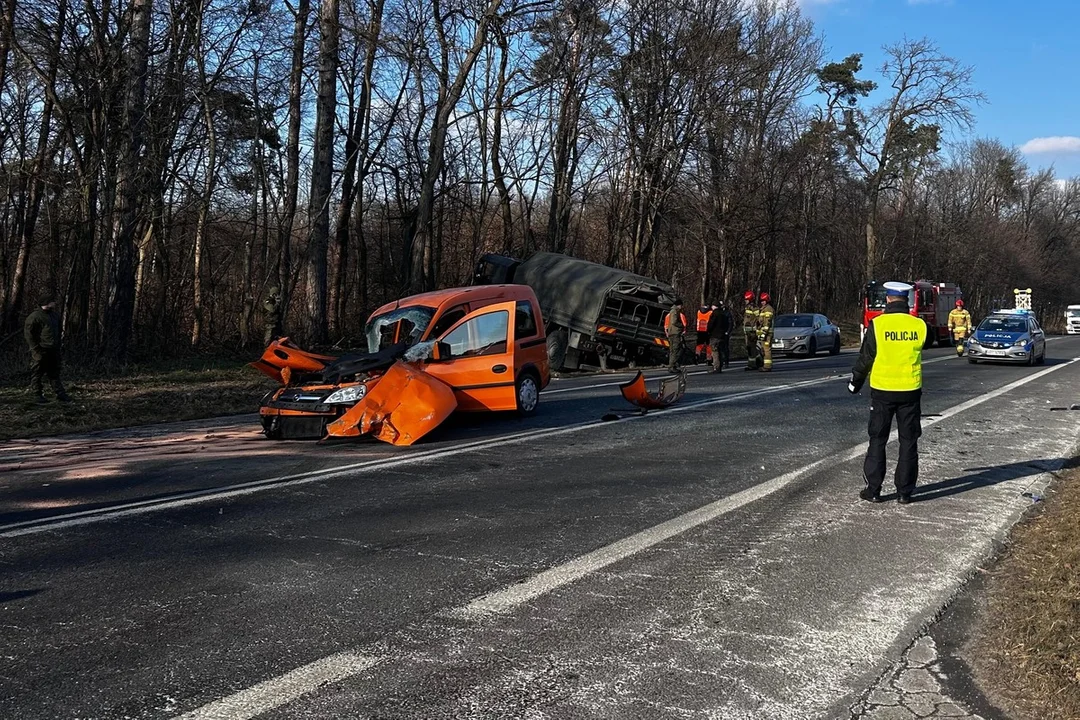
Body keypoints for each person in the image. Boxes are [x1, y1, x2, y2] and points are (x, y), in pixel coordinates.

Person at [848, 281, 926, 504]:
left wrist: (856, 381)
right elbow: (925, 344)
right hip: (910, 391)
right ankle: (904, 492)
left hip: (882, 391)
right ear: (907, 301)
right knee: (909, 441)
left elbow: (866, 357)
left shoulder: (878, 324)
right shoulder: (919, 325)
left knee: (878, 439)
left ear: (888, 299)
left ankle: (873, 490)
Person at [24, 292, 69, 404]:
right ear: (46, 303)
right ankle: (37, 394)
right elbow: (29, 334)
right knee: (37, 373)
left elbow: (58, 331)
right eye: (52, 301)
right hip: (41, 349)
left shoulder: (54, 315)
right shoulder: (34, 317)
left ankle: (60, 393)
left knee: (54, 372)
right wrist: (35, 349)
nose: (55, 303)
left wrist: (59, 345)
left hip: (53, 349)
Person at [706, 300, 730, 373]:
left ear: (714, 306)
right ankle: (720, 365)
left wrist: (708, 331)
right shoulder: (723, 314)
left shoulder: (714, 314)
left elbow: (710, 325)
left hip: (715, 335)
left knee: (715, 351)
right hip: (722, 335)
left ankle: (716, 367)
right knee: (720, 351)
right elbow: (727, 324)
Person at [665, 300, 687, 372]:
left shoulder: (671, 311)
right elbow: (674, 322)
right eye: (681, 305)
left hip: (671, 332)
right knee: (675, 350)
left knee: (672, 350)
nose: (681, 307)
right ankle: (672, 366)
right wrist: (681, 326)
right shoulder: (675, 311)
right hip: (675, 333)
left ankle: (671, 366)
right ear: (679, 305)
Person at [757, 292, 775, 372]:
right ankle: (764, 364)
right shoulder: (763, 309)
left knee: (767, 350)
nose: (762, 302)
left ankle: (767, 366)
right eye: (761, 301)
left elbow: (767, 322)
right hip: (763, 332)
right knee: (763, 349)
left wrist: (764, 333)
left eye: (764, 301)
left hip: (767, 333)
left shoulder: (768, 309)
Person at [742, 290, 759, 371]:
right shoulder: (747, 308)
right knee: (749, 348)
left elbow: (758, 318)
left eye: (747, 299)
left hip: (752, 332)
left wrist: (755, 329)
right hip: (748, 332)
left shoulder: (754, 308)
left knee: (751, 348)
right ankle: (758, 361)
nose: (745, 301)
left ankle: (752, 364)